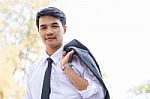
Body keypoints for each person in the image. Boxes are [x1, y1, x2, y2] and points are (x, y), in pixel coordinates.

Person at [26, 7, 108, 99]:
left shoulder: (80, 61)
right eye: (43, 27)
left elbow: (99, 95)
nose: (49, 32)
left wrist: (67, 68)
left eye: (54, 26)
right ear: (39, 32)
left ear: (64, 29)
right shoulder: (33, 71)